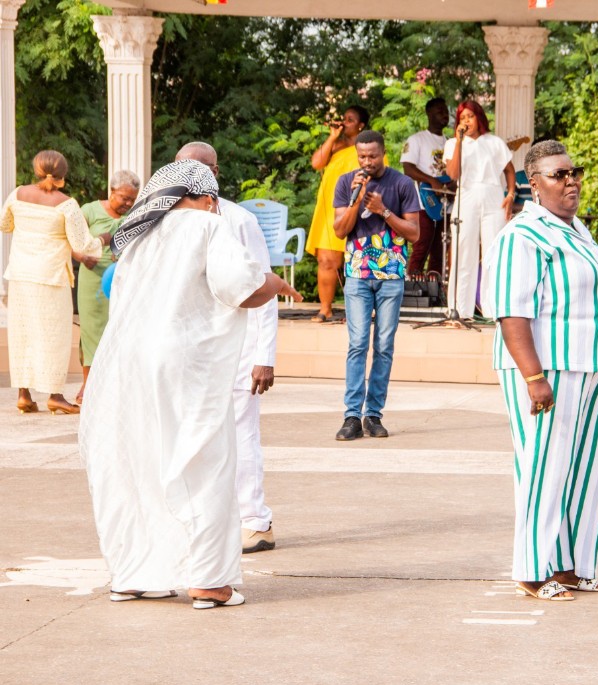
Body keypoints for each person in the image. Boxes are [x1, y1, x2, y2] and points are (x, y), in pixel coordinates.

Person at [80, 160, 301, 609]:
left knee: (139, 460)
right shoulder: (207, 226)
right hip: (182, 363)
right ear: (206, 198)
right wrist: (275, 282)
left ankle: (134, 575)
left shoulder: (139, 234)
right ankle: (209, 581)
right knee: (204, 461)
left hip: (127, 361)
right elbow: (241, 287)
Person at [482, 140, 598, 601]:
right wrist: (533, 377)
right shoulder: (522, 235)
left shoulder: (577, 231)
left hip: (592, 365)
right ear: (533, 183)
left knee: (586, 471)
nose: (570, 181)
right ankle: (531, 568)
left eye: (573, 172)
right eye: (558, 174)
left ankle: (569, 565)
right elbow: (510, 311)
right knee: (544, 467)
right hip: (547, 370)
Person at [175, 142, 279, 554]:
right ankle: (204, 520)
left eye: (197, 170)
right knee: (193, 436)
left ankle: (255, 521)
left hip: (238, 348)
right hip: (191, 348)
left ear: (215, 173)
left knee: (241, 434)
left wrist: (264, 356)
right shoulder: (168, 219)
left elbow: (263, 288)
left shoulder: (239, 220)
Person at [1, 150, 108, 415]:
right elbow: (83, 244)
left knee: (22, 333)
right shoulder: (67, 204)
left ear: (36, 169)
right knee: (54, 335)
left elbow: (5, 225)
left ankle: (24, 395)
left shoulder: (17, 194)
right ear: (63, 174)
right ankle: (55, 396)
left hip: (21, 275)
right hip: (51, 277)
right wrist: (103, 239)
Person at [332, 131, 420, 441]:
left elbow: (414, 233)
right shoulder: (346, 183)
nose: (366, 162)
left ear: (383, 154)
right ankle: (351, 416)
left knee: (383, 346)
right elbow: (340, 230)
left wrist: (383, 210)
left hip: (390, 275)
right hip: (357, 274)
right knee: (358, 343)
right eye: (362, 156)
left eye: (372, 156)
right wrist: (357, 199)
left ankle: (373, 415)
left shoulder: (402, 184)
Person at [443, 100, 516, 320]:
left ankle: (493, 310)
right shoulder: (452, 143)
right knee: (464, 252)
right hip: (466, 195)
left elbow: (509, 170)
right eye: (462, 117)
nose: (466, 121)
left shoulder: (494, 142)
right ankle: (460, 309)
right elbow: (453, 174)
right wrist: (459, 141)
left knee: (493, 252)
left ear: (479, 118)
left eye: (470, 116)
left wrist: (510, 194)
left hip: (493, 196)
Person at [75, 170, 140, 405]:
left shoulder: (135, 215)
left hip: (123, 280)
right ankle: (88, 385)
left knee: (119, 330)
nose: (128, 204)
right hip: (92, 278)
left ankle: (114, 386)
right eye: (124, 198)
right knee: (91, 331)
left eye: (132, 199)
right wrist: (82, 257)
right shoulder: (89, 211)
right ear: (111, 191)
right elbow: (70, 241)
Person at [305, 105, 370, 323]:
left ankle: (364, 310)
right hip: (331, 209)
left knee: (361, 259)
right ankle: (325, 309)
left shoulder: (368, 148)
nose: (344, 122)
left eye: (350, 120)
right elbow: (316, 163)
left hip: (358, 208)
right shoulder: (336, 145)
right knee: (326, 260)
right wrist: (332, 136)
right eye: (344, 118)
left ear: (361, 125)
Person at [402, 96, 450, 276]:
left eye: (446, 111)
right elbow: (408, 168)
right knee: (422, 243)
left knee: (440, 248)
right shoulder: (417, 139)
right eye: (440, 111)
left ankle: (434, 285)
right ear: (429, 113)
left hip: (446, 202)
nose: (444, 115)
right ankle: (414, 285)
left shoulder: (451, 142)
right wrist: (432, 180)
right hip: (423, 201)